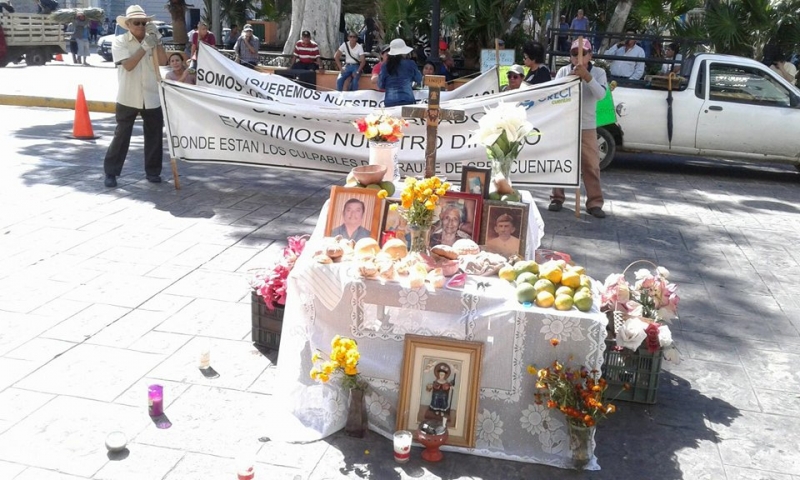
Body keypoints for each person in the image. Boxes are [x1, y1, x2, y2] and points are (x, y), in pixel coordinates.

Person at [102, 5, 167, 188]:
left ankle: (153, 172)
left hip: (151, 94)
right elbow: (128, 65)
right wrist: (145, 46)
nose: (141, 26)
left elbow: (162, 61)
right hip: (128, 95)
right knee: (122, 135)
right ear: (128, 25)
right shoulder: (120, 41)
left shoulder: (152, 40)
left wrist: (158, 41)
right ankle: (111, 172)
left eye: (144, 23)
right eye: (137, 23)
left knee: (154, 136)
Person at [550, 38, 607, 218]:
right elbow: (554, 95)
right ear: (570, 56)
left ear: (590, 56)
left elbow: (601, 95)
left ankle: (594, 202)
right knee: (561, 162)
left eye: (583, 53)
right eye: (575, 54)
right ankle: (557, 198)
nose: (578, 57)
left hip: (587, 126)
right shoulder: (563, 71)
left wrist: (587, 77)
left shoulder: (598, 72)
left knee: (591, 165)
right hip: (566, 124)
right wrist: (571, 78)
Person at [378, 38, 422, 107]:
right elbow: (419, 79)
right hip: (407, 100)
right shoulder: (410, 64)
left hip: (390, 102)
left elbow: (380, 85)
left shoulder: (385, 66)